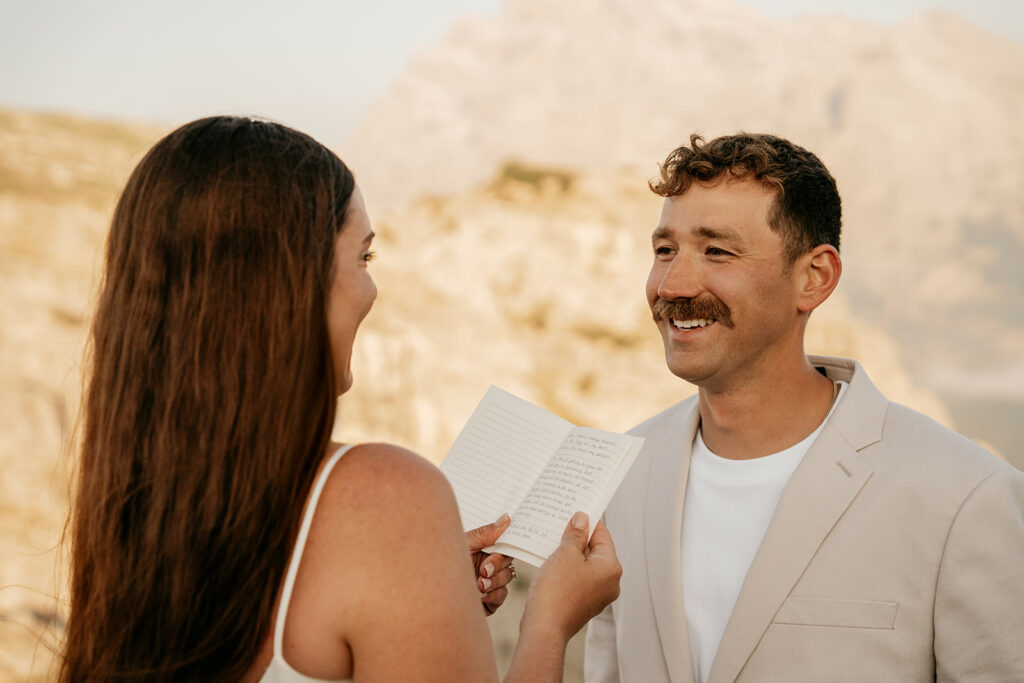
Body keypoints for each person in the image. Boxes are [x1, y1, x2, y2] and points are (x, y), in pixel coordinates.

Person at [61, 116, 621, 682]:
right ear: (287, 281)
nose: (371, 290)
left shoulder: (131, 511)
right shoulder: (385, 494)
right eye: (364, 257)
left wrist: (425, 605)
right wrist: (548, 622)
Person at [584, 133, 1024, 682]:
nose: (672, 284)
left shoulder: (966, 497)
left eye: (717, 250)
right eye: (664, 250)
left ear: (814, 278)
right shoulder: (624, 475)